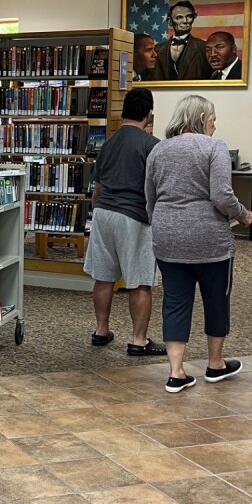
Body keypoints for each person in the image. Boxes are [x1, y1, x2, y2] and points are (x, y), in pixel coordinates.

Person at [145, 95, 250, 392]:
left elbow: (150, 198)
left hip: (167, 237)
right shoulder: (214, 146)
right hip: (209, 239)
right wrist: (242, 215)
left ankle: (176, 372)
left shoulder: (158, 149)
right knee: (216, 299)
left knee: (175, 301)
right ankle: (215, 365)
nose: (215, 126)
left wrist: (163, 224)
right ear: (202, 118)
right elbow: (221, 195)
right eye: (213, 119)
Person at [84, 88, 166, 356]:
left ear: (123, 111)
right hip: (134, 216)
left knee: (104, 277)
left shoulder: (107, 143)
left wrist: (99, 211)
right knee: (140, 281)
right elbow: (158, 189)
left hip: (102, 213)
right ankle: (139, 340)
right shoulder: (151, 145)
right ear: (149, 114)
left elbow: (96, 189)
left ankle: (101, 330)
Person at [154, 1, 212, 81]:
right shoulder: (157, 49)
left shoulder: (202, 47)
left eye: (189, 16)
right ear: (170, 21)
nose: (185, 21)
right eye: (179, 17)